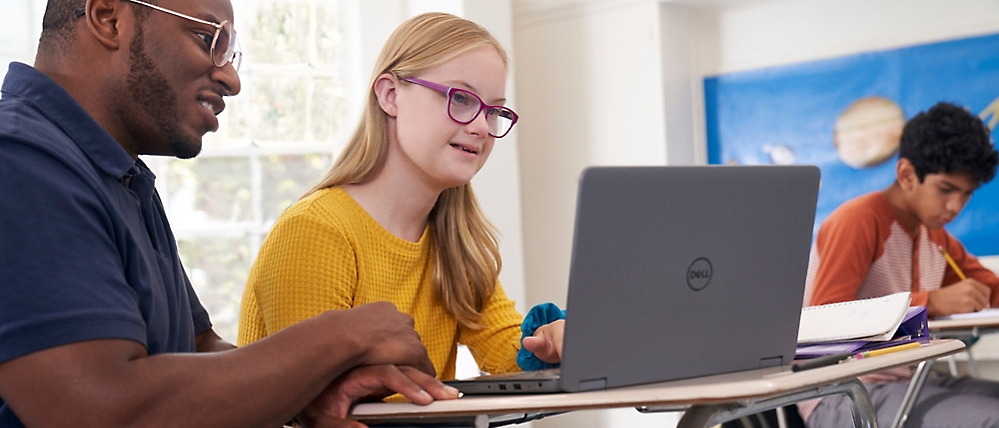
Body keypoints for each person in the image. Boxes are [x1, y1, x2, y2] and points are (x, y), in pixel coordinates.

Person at [0, 1, 458, 427]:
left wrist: (305, 392)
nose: (231, 80)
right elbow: (94, 407)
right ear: (108, 18)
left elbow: (196, 348)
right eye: (207, 39)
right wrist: (344, 335)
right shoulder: (21, 159)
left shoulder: (118, 172)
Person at [237, 12, 564, 381]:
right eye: (461, 99)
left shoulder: (456, 240)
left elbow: (506, 349)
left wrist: (549, 342)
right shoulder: (316, 231)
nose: (480, 127)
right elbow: (310, 398)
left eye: (494, 110)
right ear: (391, 96)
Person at [801, 101, 999, 427]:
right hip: (840, 394)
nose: (955, 206)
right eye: (946, 189)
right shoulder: (858, 220)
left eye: (967, 194)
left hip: (904, 383)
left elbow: (990, 289)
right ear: (907, 175)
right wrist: (931, 302)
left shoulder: (935, 236)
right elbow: (827, 319)